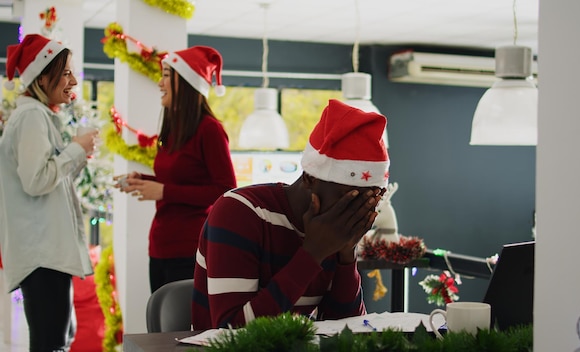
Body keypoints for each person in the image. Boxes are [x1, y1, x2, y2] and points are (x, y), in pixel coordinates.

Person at [192, 99, 390, 330]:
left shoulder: (334, 231)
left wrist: (346, 255)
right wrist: (313, 253)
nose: (355, 213)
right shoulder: (239, 212)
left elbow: (347, 332)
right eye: (349, 199)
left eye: (368, 201)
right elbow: (231, 332)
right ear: (310, 178)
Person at [0, 34, 97, 351]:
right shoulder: (31, 117)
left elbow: (47, 180)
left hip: (47, 257)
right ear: (42, 77)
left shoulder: (39, 116)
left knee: (57, 341)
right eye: (65, 72)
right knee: (51, 344)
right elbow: (36, 180)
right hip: (42, 258)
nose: (72, 80)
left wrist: (77, 154)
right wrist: (74, 150)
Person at [116, 46, 237, 293]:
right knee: (160, 328)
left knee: (184, 330)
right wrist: (144, 180)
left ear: (187, 82)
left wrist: (164, 191)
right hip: (160, 246)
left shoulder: (209, 130)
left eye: (167, 76)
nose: (160, 83)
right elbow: (176, 180)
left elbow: (225, 190)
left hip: (189, 249)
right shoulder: (172, 129)